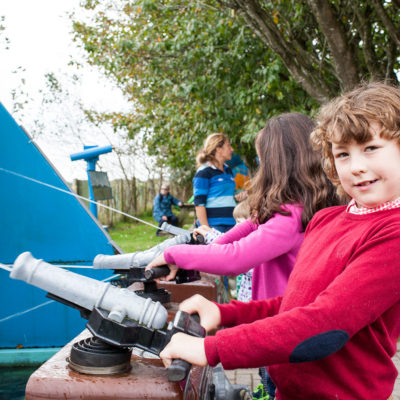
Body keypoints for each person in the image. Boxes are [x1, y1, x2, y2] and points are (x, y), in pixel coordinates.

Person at [157, 82, 400, 399]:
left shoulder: (392, 234)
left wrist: (212, 347)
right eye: (343, 154)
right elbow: (293, 304)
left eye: (370, 148)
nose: (356, 167)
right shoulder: (327, 219)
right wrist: (227, 314)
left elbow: (325, 325)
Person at [193, 133, 237, 233]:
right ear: (218, 149)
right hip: (215, 226)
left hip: (233, 224)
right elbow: (199, 204)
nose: (232, 149)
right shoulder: (204, 172)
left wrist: (239, 196)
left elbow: (226, 196)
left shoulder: (228, 170)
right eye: (228, 145)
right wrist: (206, 231)